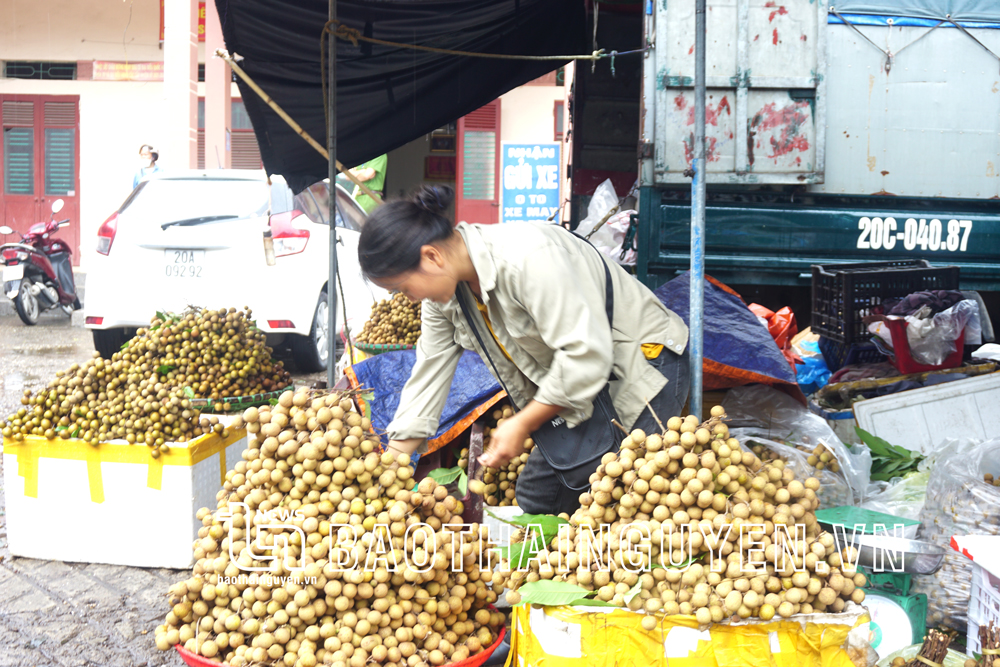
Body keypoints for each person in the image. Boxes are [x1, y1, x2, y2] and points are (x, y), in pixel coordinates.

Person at [357, 185, 690, 516]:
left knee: (635, 496)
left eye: (404, 288)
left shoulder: (528, 258)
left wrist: (522, 423)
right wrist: (394, 466)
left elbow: (584, 354)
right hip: (581, 382)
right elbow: (429, 373)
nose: (409, 299)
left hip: (643, 361)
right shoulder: (444, 298)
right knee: (537, 499)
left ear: (431, 256)